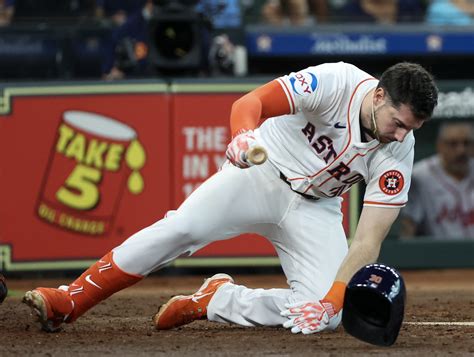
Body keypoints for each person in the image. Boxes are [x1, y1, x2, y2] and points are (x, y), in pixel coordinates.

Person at [23, 61, 438, 335]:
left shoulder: (400, 147)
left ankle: (218, 299)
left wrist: (331, 301)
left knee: (327, 315)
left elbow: (367, 240)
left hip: (317, 208)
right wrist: (243, 135)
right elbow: (251, 102)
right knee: (183, 227)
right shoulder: (339, 82)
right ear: (380, 95)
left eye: (411, 128)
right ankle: (71, 299)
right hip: (261, 172)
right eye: (398, 123)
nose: (401, 135)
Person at [400, 122, 474, 239]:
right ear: (440, 145)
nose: (461, 151)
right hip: (438, 255)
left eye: (466, 143)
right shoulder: (420, 176)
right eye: (453, 144)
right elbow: (407, 228)